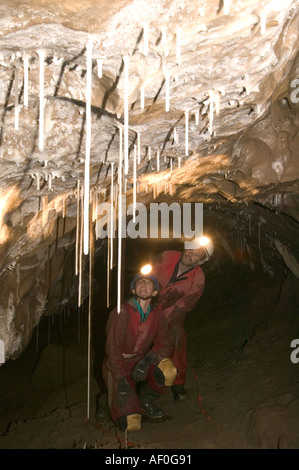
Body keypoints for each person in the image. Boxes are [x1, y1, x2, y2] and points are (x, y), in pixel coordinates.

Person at [97, 271, 177, 432]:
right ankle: (106, 403)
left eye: (148, 282)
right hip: (117, 366)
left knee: (168, 370)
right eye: (139, 282)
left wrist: (148, 359)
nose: (143, 284)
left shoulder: (158, 315)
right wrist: (121, 379)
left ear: (155, 292)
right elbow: (112, 349)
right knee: (131, 423)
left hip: (140, 362)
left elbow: (164, 342)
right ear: (133, 290)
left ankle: (144, 401)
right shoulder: (121, 312)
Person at [151, 236, 214, 401]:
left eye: (196, 253)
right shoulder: (167, 256)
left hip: (173, 313)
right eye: (190, 248)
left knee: (178, 336)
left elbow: (186, 303)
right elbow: (145, 275)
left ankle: (177, 382)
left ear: (201, 260)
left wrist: (164, 317)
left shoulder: (198, 277)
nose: (190, 253)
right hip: (149, 303)